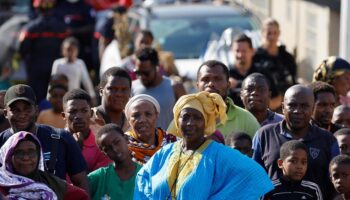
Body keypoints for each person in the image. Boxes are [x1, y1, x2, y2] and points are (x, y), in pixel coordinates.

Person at [134, 91, 273, 199]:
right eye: (185, 117)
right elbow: (142, 180)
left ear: (206, 122)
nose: (190, 123)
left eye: (197, 118)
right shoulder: (165, 153)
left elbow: (255, 175)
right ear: (177, 120)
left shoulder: (218, 154)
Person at [253, 84, 339, 199]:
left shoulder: (328, 139)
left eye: (304, 106)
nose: (297, 111)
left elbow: (336, 184)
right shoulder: (264, 135)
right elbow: (253, 179)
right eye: (292, 105)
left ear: (313, 108)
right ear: (283, 108)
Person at [0, 84, 89, 191]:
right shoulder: (1, 142)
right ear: (5, 113)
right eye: (16, 110)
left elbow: (81, 182)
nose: (22, 114)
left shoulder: (61, 138)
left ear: (37, 110)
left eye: (27, 109)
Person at [0, 131, 89, 200]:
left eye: (31, 152)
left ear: (39, 156)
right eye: (19, 153)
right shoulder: (2, 185)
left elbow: (82, 196)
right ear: (8, 157)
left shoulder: (53, 183)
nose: (26, 158)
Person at [19, 0, 68, 103]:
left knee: (35, 98)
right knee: (55, 97)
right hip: (56, 69)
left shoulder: (30, 28)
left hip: (35, 69)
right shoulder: (62, 27)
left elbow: (23, 50)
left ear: (37, 9)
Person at [195, 60, 260, 138]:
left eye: (217, 79)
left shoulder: (246, 120)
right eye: (205, 79)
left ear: (228, 84)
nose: (211, 84)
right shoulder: (187, 119)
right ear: (197, 85)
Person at [132, 47, 186, 130]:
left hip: (171, 141)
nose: (141, 77)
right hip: (141, 143)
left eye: (146, 73)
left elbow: (186, 117)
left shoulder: (175, 87)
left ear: (157, 67)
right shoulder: (132, 87)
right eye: (138, 72)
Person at [62, 89, 111, 173]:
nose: (78, 116)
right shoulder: (55, 141)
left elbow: (96, 182)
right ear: (64, 115)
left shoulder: (101, 147)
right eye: (72, 111)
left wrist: (77, 153)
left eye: (84, 111)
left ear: (91, 113)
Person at [88, 124, 141, 200]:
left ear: (126, 139)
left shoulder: (144, 174)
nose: (115, 149)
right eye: (107, 148)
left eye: (117, 142)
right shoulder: (98, 178)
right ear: (104, 153)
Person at [253, 18, 297, 110]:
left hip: (288, 105)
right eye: (269, 33)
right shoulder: (256, 58)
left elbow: (293, 80)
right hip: (264, 107)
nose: (272, 37)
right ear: (262, 33)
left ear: (279, 33)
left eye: (275, 33)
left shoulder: (287, 57)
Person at [124, 94, 176, 164]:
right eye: (136, 115)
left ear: (156, 115)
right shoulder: (122, 147)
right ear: (129, 120)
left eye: (148, 114)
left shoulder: (173, 143)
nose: (142, 120)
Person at [51, 37, 96, 103]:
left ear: (77, 51)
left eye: (73, 50)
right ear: (63, 50)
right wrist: (49, 96)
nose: (70, 53)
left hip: (75, 97)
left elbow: (86, 81)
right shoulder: (58, 64)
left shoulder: (80, 63)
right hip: (61, 98)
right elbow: (52, 82)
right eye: (68, 50)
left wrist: (92, 95)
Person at [90, 67, 131, 134]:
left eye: (124, 89)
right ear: (101, 91)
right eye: (113, 89)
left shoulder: (133, 122)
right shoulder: (86, 119)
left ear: (130, 94)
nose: (119, 94)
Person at [228, 33, 258, 108]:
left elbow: (276, 100)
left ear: (252, 51)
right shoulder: (226, 74)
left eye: (244, 51)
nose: (240, 55)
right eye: (237, 51)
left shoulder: (261, 73)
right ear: (232, 51)